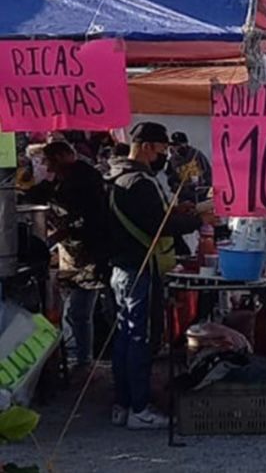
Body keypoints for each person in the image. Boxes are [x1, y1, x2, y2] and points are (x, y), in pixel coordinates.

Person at [106, 122, 212, 430]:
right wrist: (196, 220)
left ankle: (123, 403)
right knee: (139, 338)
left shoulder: (115, 176)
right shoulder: (138, 181)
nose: (164, 157)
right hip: (139, 266)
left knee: (125, 337)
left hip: (122, 267)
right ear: (148, 147)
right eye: (162, 150)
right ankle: (139, 407)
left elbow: (155, 216)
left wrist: (180, 211)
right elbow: (157, 225)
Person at [37, 142, 110, 369]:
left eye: (48, 160)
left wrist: (60, 233)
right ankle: (80, 357)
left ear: (61, 156)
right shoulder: (62, 179)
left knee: (79, 312)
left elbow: (88, 218)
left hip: (90, 253)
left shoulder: (84, 178)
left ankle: (84, 360)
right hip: (72, 252)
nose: (46, 166)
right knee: (74, 312)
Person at [166, 132, 212, 200]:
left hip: (202, 196)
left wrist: (209, 192)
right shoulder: (172, 161)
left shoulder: (197, 155)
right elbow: (170, 180)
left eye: (178, 145)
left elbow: (209, 174)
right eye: (173, 145)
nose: (175, 148)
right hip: (184, 199)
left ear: (185, 144)